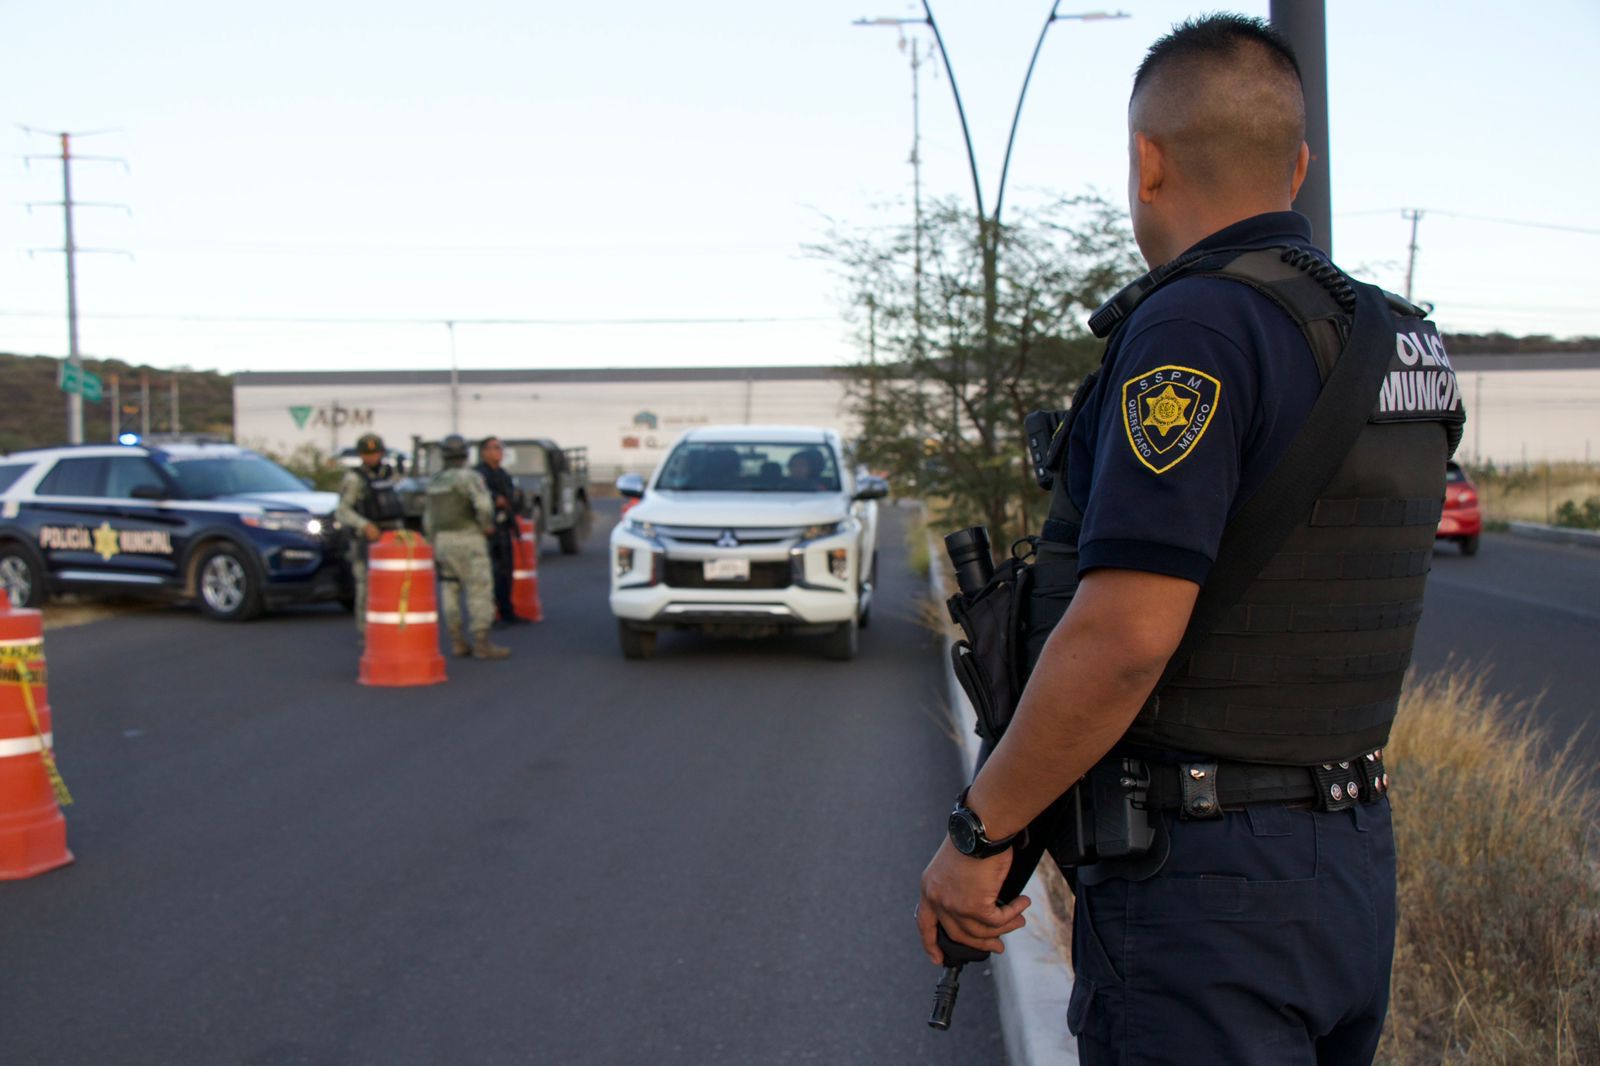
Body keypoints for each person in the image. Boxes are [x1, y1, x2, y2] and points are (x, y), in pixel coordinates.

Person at [916, 15, 1463, 1064]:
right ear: (1296, 168)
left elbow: (1125, 634)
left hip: (1206, 887)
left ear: (1145, 161)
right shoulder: (1402, 337)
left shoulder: (1195, 327)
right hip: (1348, 858)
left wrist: (977, 838)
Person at [424, 434, 510, 660]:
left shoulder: (434, 481)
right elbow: (483, 505)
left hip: (442, 541)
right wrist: (486, 525)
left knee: (449, 589)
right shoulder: (470, 477)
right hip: (468, 538)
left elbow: (428, 518)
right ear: (465, 454)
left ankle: (457, 641)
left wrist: (432, 542)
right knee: (479, 589)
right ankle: (482, 642)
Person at [335, 432, 406, 634]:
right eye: (366, 453)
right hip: (365, 540)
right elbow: (342, 511)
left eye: (375, 453)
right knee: (366, 587)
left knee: (394, 584)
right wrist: (364, 525)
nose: (371, 457)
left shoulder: (390, 474)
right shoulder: (354, 478)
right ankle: (366, 632)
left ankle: (392, 628)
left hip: (391, 537)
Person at [474, 436, 528, 625]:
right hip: (486, 530)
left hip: (503, 528)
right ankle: (488, 614)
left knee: (506, 571)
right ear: (484, 452)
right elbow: (484, 500)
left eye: (500, 448)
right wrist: (497, 500)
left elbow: (512, 498)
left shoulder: (503, 474)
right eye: (494, 448)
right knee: (490, 574)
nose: (499, 452)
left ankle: (507, 611)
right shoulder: (479, 474)